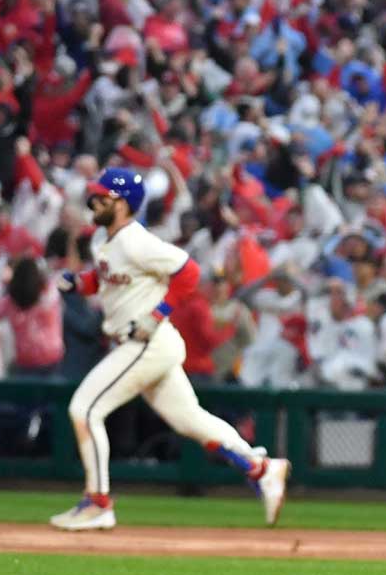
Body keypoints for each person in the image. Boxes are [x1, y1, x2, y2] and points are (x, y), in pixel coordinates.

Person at [53, 168, 289, 531]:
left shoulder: (135, 240)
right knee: (189, 420)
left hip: (145, 342)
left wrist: (156, 314)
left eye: (102, 196)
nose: (93, 201)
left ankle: (98, 502)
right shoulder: (110, 240)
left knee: (85, 410)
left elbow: (189, 272)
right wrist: (78, 284)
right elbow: (107, 280)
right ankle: (260, 468)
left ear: (121, 202)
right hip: (146, 344)